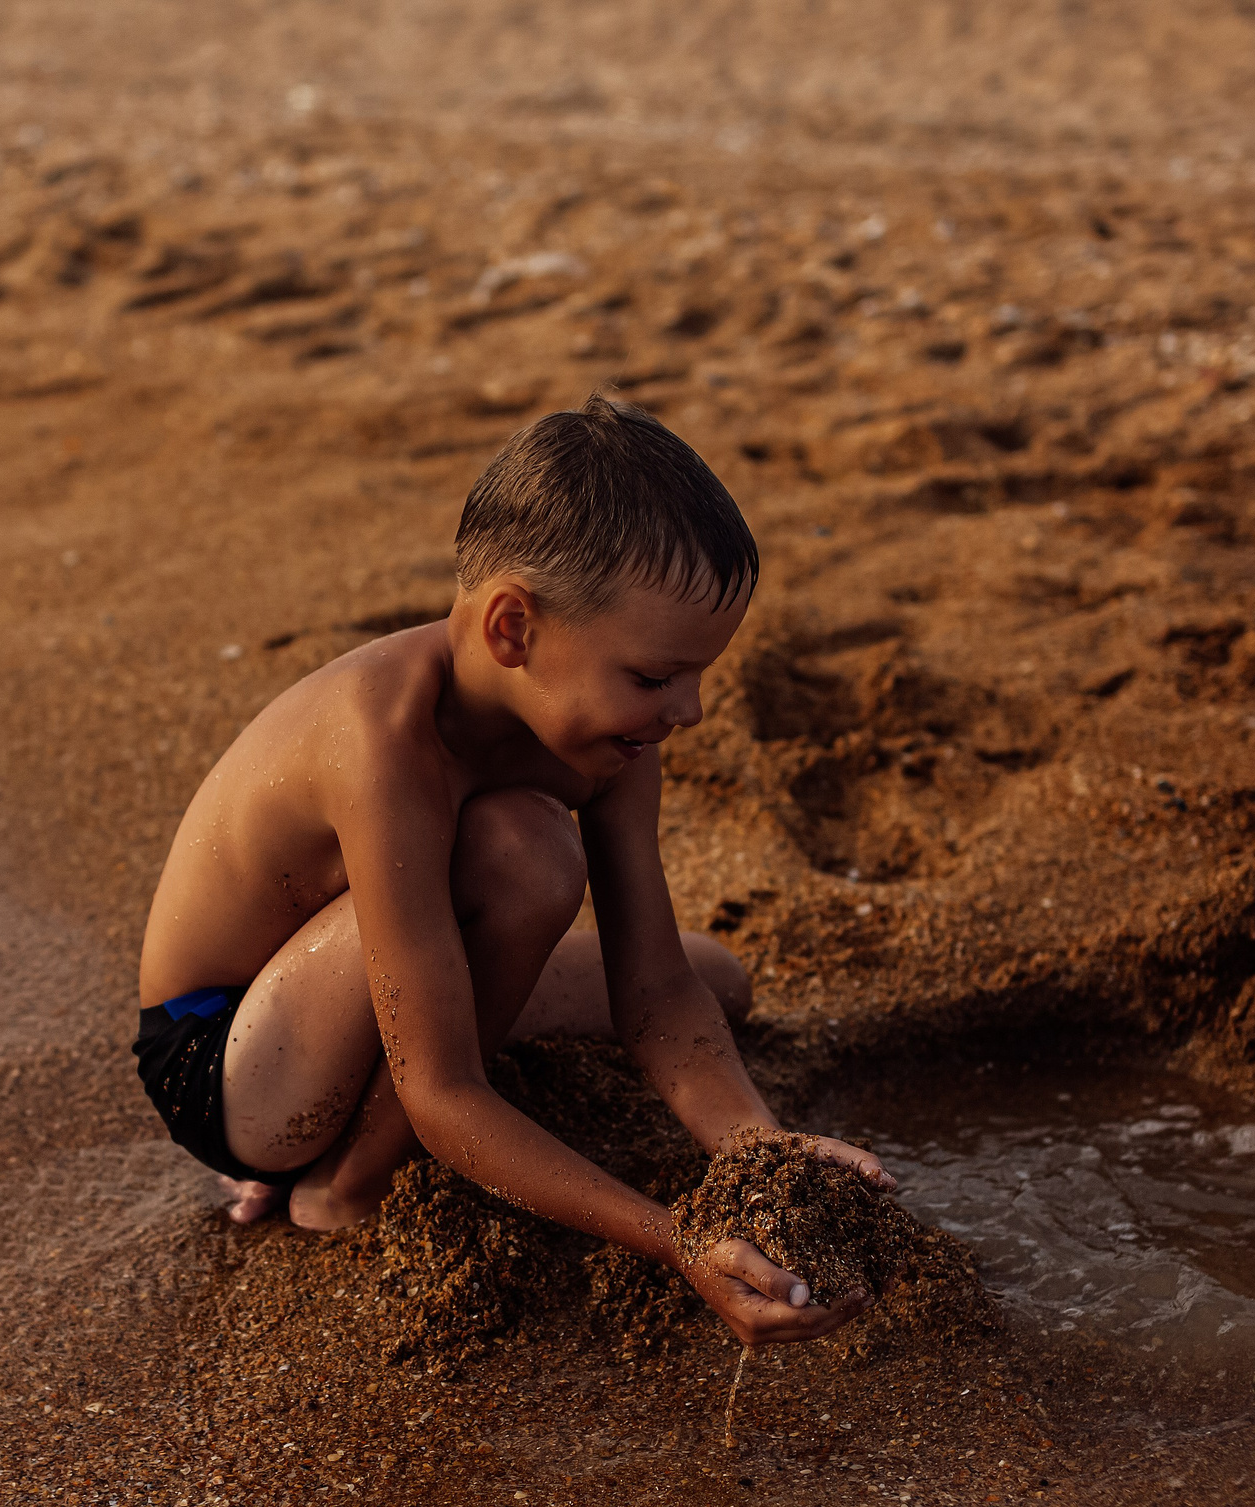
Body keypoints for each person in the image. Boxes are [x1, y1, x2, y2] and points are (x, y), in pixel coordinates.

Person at [133, 394, 895, 1346]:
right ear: (512, 630)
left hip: (370, 983)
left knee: (715, 980)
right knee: (524, 857)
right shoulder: (379, 739)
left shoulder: (611, 731)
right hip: (233, 1059)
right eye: (658, 677)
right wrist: (679, 1238)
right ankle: (346, 1184)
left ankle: (372, 1140)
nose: (689, 709)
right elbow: (443, 1088)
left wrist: (755, 1147)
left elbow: (654, 989)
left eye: (699, 676)